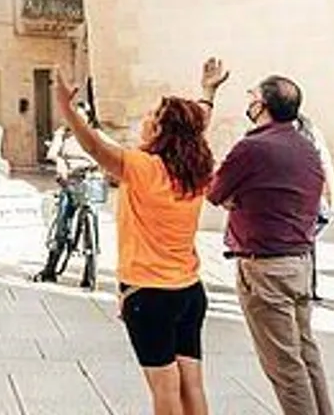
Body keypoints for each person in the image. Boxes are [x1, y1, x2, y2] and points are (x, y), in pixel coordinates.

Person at [53, 58, 230, 415]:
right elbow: (197, 126)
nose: (146, 119)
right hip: (189, 292)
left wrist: (67, 110)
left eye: (152, 115)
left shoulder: (141, 167)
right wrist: (208, 92)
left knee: (165, 391)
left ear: (161, 130)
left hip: (148, 296)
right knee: (191, 385)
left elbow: (94, 148)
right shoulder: (197, 169)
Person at [208, 75, 333, 415]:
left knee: (284, 366)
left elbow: (215, 192)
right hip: (300, 262)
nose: (248, 103)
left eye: (251, 97)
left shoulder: (252, 147)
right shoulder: (306, 146)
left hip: (264, 265)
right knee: (307, 355)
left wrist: (240, 197)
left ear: (261, 105)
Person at [34, 100, 98, 284]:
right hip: (69, 180)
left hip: (88, 179)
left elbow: (113, 149)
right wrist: (60, 162)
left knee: (91, 215)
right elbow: (53, 154)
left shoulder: (94, 135)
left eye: (82, 116)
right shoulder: (63, 134)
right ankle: (50, 268)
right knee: (63, 224)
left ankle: (89, 271)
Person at [296, 114, 334, 301]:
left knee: (306, 244)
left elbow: (326, 165)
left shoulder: (310, 130)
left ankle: (308, 287)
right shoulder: (259, 132)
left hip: (308, 200)